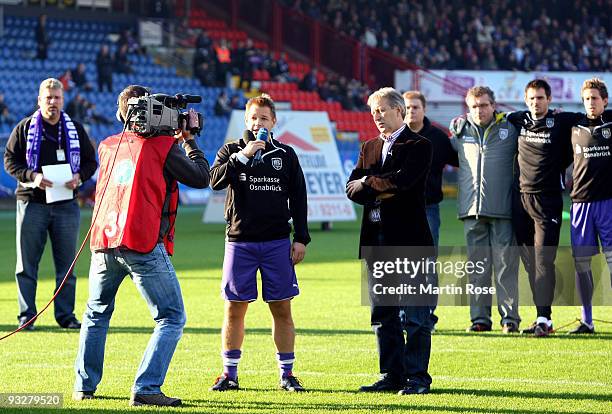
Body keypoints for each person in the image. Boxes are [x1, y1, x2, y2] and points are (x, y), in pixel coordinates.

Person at [73, 85, 211, 407]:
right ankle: (147, 387)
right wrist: (188, 139)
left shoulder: (107, 145)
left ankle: (84, 386)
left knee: (95, 313)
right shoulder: (163, 146)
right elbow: (202, 177)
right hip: (142, 243)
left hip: (104, 241)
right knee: (172, 316)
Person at [209, 94, 310, 392]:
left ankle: (287, 374)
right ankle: (229, 374)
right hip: (240, 242)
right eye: (253, 118)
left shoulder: (287, 155)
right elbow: (213, 180)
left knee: (281, 309)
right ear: (246, 120)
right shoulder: (232, 150)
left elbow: (299, 198)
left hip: (277, 242)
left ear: (274, 121)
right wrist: (242, 157)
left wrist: (301, 238)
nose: (258, 123)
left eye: (264, 118)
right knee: (234, 309)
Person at [346, 87, 434, 395]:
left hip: (410, 241)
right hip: (376, 242)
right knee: (383, 315)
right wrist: (377, 186)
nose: (377, 117)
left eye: (382, 110)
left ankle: (418, 378)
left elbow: (404, 183)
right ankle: (392, 376)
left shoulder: (419, 145)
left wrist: (368, 182)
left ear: (400, 111)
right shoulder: (368, 146)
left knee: (416, 316)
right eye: (373, 112)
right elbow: (349, 189)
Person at [3, 78, 97, 330]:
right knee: (26, 264)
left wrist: (80, 176)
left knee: (66, 266)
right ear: (39, 100)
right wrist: (32, 176)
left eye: (57, 98)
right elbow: (10, 161)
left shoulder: (74, 129)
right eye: (48, 98)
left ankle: (66, 316)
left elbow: (91, 162)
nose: (53, 102)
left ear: (63, 100)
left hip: (66, 204)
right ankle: (27, 316)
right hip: (32, 203)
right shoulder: (24, 128)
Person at [506, 79, 581, 336]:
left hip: (547, 201)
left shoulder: (563, 121)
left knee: (543, 261)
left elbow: (595, 117)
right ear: (525, 100)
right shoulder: (518, 119)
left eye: (540, 98)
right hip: (520, 201)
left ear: (549, 100)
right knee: (529, 262)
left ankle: (545, 319)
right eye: (532, 98)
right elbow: (490, 117)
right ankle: (541, 315)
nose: (536, 103)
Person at [449, 86, 520, 333]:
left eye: (484, 105)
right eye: (474, 106)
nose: (479, 110)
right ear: (468, 108)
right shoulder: (460, 132)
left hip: (502, 211)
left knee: (505, 268)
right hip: (471, 211)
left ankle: (509, 319)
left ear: (493, 105)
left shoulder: (510, 129)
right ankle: (480, 319)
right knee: (478, 270)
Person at [403, 90, 458, 330]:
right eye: (407, 107)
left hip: (428, 209)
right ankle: (404, 315)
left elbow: (461, 161)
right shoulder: (394, 135)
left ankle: (428, 316)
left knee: (427, 264)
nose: (411, 111)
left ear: (424, 109)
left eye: (415, 107)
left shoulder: (438, 137)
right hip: (399, 210)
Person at [568, 78, 612, 334]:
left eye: (595, 98)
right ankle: (587, 320)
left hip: (608, 204)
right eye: (587, 99)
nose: (591, 103)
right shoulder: (572, 126)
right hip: (580, 204)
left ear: (605, 101)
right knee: (581, 264)